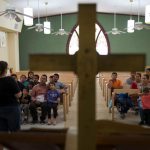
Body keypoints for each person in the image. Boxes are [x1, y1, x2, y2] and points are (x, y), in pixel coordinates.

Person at [0, 61, 21, 132]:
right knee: (15, 131)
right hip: (11, 108)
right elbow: (18, 95)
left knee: (2, 133)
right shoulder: (10, 79)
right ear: (5, 69)